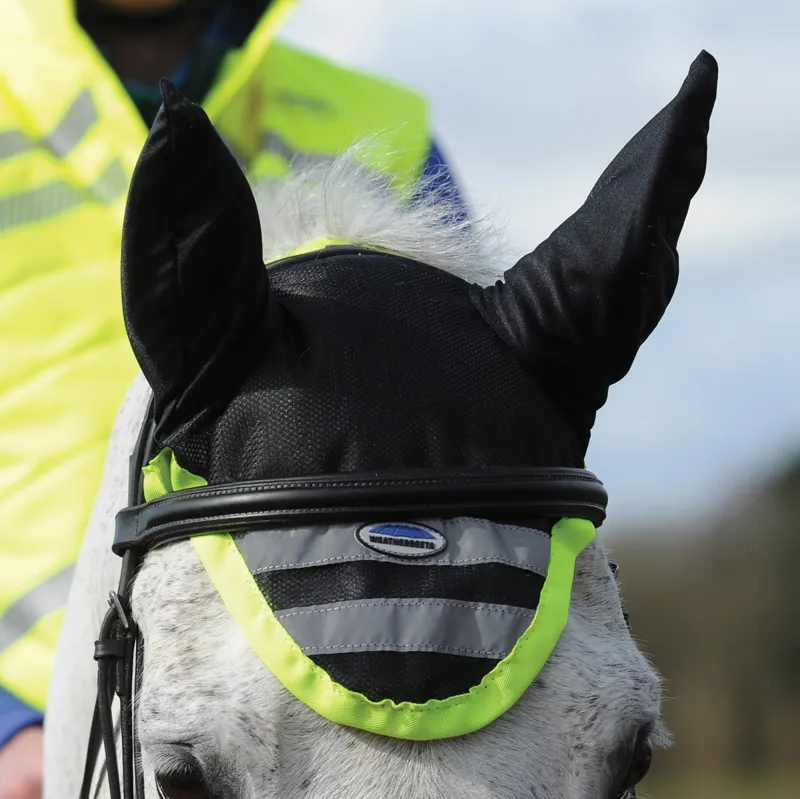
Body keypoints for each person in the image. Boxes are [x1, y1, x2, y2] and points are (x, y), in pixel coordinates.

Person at [0, 1, 467, 796]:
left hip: (332, 752)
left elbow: (469, 458)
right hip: (34, 750)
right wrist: (8, 727)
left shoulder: (383, 130)